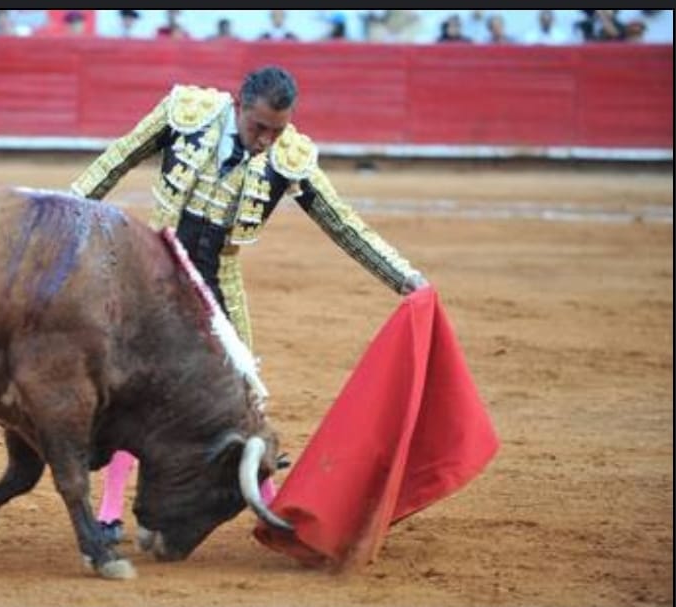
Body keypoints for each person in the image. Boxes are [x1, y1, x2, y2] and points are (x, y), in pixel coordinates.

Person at [71, 65, 429, 544]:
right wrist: (50, 221)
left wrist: (404, 277)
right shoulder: (187, 113)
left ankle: (272, 509)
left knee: (243, 401)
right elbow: (112, 163)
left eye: (276, 131)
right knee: (135, 390)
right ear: (238, 105)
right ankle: (110, 511)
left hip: (218, 282)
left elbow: (344, 224)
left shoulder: (289, 155)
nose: (265, 141)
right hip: (154, 275)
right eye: (259, 127)